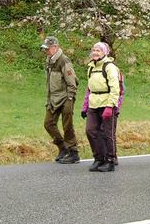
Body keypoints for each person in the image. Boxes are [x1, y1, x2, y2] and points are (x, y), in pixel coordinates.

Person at [41, 36, 80, 164]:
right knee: (48, 123)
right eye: (45, 49)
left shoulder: (64, 60)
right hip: (53, 98)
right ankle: (62, 148)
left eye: (48, 48)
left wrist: (70, 98)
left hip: (65, 97)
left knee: (67, 125)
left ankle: (73, 152)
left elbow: (72, 82)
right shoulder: (49, 60)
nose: (46, 51)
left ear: (55, 47)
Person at [82, 42, 120, 172]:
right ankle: (98, 158)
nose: (95, 52)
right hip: (93, 104)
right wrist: (85, 106)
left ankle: (110, 160)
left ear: (104, 52)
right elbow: (89, 88)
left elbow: (116, 88)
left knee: (107, 133)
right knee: (91, 130)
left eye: (98, 50)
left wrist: (110, 106)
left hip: (106, 102)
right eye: (93, 50)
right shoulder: (91, 68)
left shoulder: (110, 67)